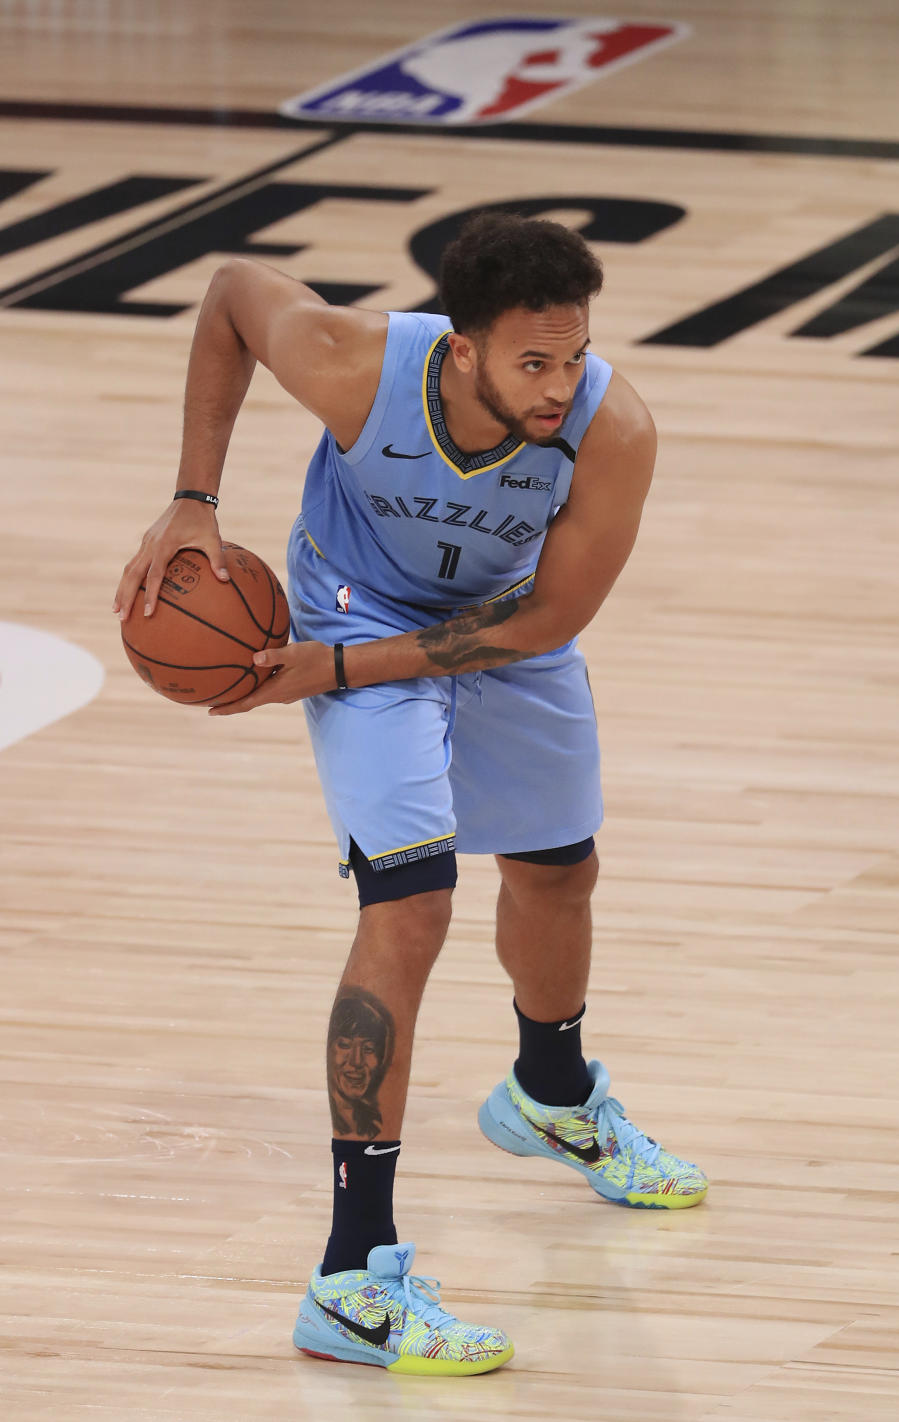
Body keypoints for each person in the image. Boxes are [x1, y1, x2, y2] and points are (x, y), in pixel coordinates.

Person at [114, 212, 708, 1378]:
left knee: (559, 871)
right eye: (532, 361)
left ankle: (549, 1093)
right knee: (410, 909)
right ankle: (353, 1278)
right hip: (356, 612)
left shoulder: (612, 430)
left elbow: (546, 619)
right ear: (460, 349)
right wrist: (194, 496)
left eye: (574, 354)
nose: (560, 384)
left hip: (501, 635)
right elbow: (236, 291)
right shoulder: (358, 366)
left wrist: (327, 676)